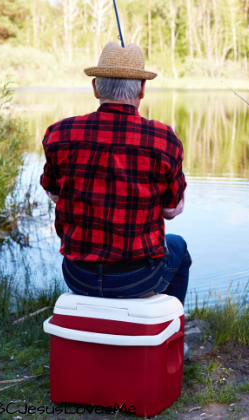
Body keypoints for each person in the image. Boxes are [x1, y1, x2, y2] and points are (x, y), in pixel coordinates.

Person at [40, 41, 191, 317]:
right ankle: (168, 330)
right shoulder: (163, 139)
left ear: (96, 87)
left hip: (77, 274)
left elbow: (52, 192)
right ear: (142, 89)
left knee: (174, 246)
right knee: (179, 248)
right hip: (138, 278)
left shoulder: (59, 133)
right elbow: (171, 210)